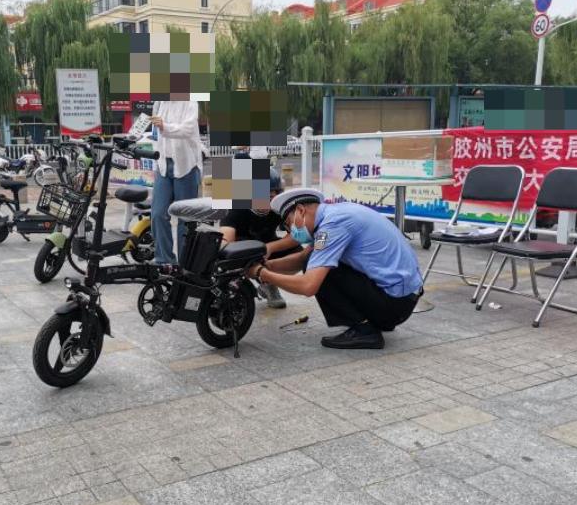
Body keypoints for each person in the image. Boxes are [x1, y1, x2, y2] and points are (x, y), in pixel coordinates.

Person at [247, 188, 423, 349]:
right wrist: (268, 265)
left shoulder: (331, 227)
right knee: (313, 260)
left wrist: (262, 273)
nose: (292, 231)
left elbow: (308, 286)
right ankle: (372, 321)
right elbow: (302, 258)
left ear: (301, 210)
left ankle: (365, 330)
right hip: (401, 298)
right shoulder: (333, 215)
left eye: (289, 223)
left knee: (319, 270)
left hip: (395, 305)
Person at [220, 166, 300, 309]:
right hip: (242, 251)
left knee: (300, 255)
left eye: (271, 196)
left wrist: (271, 247)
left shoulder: (280, 207)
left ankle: (269, 283)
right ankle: (237, 287)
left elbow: (297, 236)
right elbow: (226, 243)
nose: (266, 201)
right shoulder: (235, 207)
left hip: (267, 247)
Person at [149, 101, 204, 264]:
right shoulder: (159, 103)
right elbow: (155, 134)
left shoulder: (190, 102)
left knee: (185, 219)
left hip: (187, 165)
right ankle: (164, 261)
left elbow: (187, 129)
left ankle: (185, 264)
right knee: (158, 214)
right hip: (163, 166)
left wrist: (164, 126)